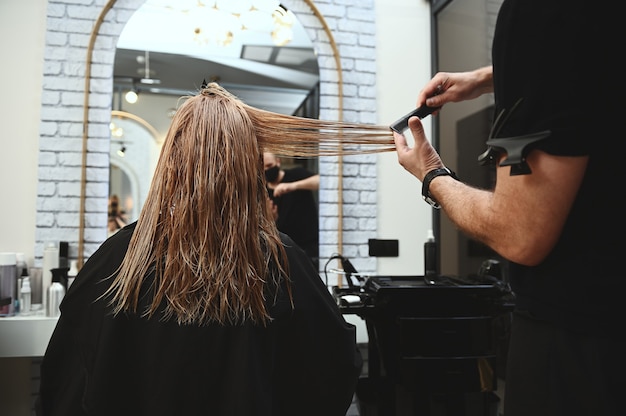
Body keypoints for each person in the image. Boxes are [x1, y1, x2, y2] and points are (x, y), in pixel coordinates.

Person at [36, 83, 378, 416]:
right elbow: (333, 374)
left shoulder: (116, 258)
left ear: (171, 163)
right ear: (248, 167)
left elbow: (63, 385)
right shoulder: (282, 261)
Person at [392, 2, 625, 415]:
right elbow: (595, 63)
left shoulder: (538, 13)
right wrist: (487, 78)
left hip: (582, 342)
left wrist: (431, 174)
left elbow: (520, 234)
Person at [264, 152, 320, 266]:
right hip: (285, 252)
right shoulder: (261, 193)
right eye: (262, 168)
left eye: (269, 166)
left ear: (278, 162)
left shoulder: (296, 174)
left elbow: (322, 181)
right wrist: (271, 219)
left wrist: (294, 186)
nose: (266, 170)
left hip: (309, 248)